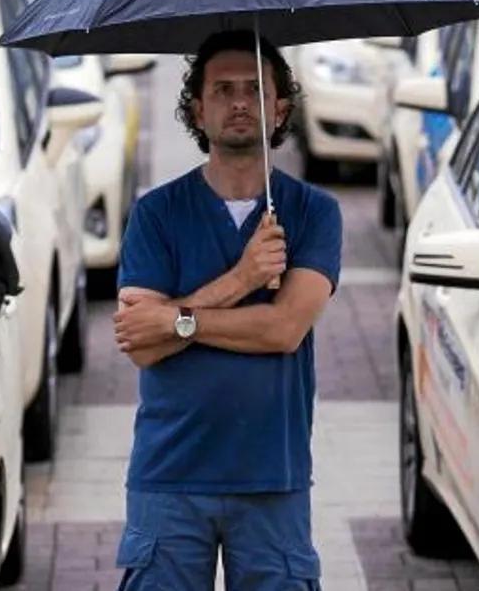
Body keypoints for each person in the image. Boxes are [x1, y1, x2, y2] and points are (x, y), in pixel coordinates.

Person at [111, 30, 344, 590]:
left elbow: (284, 328)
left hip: (272, 475)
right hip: (169, 476)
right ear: (197, 107)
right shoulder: (156, 213)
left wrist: (176, 318)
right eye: (222, 90)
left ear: (280, 106)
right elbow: (141, 343)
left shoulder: (314, 213)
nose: (239, 102)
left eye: (254, 90)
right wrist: (242, 278)